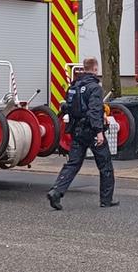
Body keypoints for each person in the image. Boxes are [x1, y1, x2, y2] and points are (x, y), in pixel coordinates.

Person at [47, 57, 119, 210]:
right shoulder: (95, 88)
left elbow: (67, 107)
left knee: (73, 163)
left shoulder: (73, 87)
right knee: (105, 164)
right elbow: (95, 111)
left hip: (76, 131)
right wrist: (99, 132)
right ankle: (106, 199)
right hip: (91, 131)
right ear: (94, 69)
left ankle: (56, 191)